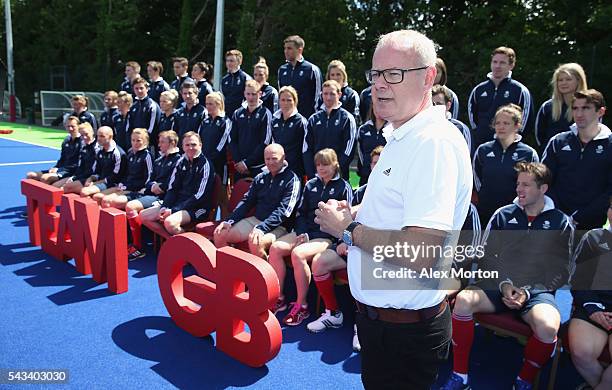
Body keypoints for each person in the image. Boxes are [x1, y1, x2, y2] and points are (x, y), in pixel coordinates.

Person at [314, 30, 472, 389]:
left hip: (404, 331)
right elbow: (401, 213)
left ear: (429, 77)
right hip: (384, 323)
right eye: (376, 74)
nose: (380, 85)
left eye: (394, 74)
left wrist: (348, 230)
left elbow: (422, 251)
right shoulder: (403, 135)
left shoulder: (431, 144)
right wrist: (357, 214)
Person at [442, 162, 573, 390]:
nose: (519, 190)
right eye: (518, 184)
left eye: (526, 185)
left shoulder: (561, 222)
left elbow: (562, 269)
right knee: (463, 301)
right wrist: (504, 284)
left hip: (536, 293)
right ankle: (459, 374)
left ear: (543, 189)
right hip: (497, 284)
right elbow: (486, 255)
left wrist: (527, 291)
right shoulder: (503, 214)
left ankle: (524, 381)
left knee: (548, 327)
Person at [269, 149, 352, 327]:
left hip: (325, 236)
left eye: (326, 164)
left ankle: (302, 305)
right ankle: (279, 298)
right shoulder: (310, 184)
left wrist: (338, 242)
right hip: (305, 232)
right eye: (319, 165)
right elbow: (300, 213)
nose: (322, 168)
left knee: (297, 254)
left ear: (335, 164)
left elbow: (348, 220)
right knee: (275, 248)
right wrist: (302, 233)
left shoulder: (343, 187)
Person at [214, 143, 301, 259]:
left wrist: (262, 227)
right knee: (220, 233)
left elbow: (284, 211)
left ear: (283, 157)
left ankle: (264, 273)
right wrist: (229, 221)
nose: (270, 162)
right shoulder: (261, 177)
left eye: (274, 158)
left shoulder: (292, 180)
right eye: (267, 159)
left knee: (255, 241)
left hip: (280, 227)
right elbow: (247, 202)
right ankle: (230, 270)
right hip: (256, 220)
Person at [542, 89, 610, 230]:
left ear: (601, 111)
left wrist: (582, 216)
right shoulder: (558, 141)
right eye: (575, 108)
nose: (579, 114)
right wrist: (559, 214)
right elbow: (543, 180)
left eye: (585, 108)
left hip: (594, 225)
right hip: (556, 222)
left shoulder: (610, 145)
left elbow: (610, 191)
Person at [569, 198, 612, 389]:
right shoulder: (594, 237)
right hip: (593, 307)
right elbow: (578, 280)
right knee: (581, 352)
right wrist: (593, 308)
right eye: (611, 207)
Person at [473, 104, 539, 225]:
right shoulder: (483, 150)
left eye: (506, 123)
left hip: (516, 213)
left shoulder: (528, 153)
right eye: (498, 123)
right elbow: (477, 179)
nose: (501, 127)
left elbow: (534, 183)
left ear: (517, 126)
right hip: (485, 213)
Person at [140, 132, 216, 236]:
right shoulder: (181, 162)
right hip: (178, 204)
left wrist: (173, 210)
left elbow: (200, 196)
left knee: (170, 223)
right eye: (187, 145)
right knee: (144, 216)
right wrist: (165, 206)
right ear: (183, 147)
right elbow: (172, 188)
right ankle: (171, 241)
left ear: (200, 145)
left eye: (193, 144)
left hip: (198, 207)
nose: (190, 148)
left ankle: (188, 246)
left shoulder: (205, 165)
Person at [125, 130, 181, 260]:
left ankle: (139, 247)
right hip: (154, 195)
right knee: (130, 206)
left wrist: (160, 187)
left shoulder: (179, 160)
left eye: (162, 142)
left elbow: (176, 183)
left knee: (131, 206)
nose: (159, 145)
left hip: (166, 198)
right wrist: (153, 186)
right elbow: (150, 180)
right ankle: (137, 244)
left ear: (172, 143)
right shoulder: (160, 159)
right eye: (159, 141)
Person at [468, 46, 534, 151]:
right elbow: (473, 121)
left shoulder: (520, 91)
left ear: (511, 65)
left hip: (510, 148)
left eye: (502, 63)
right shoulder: (478, 90)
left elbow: (526, 122)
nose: (497, 66)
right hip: (481, 147)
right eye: (495, 62)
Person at [303, 79, 357, 179]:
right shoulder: (313, 119)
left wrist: (335, 171)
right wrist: (313, 173)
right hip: (316, 177)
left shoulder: (347, 119)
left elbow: (349, 149)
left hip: (339, 177)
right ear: (321, 95)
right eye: (325, 94)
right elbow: (307, 149)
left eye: (332, 94)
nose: (328, 97)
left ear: (339, 94)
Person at [535, 63, 588, 152]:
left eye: (568, 79)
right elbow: (539, 136)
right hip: (551, 158)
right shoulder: (547, 107)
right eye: (560, 80)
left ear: (579, 81)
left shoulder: (589, 106)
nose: (563, 83)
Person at [96, 128, 153, 207]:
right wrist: (121, 184)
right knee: (97, 196)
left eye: (138, 140)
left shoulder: (147, 156)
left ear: (145, 141)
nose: (135, 143)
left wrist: (129, 186)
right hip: (125, 186)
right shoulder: (130, 154)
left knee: (107, 200)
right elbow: (125, 173)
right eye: (133, 140)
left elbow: (149, 178)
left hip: (136, 190)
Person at [229, 79, 273, 180]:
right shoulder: (237, 113)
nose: (251, 97)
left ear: (260, 94)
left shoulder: (266, 114)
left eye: (254, 94)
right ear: (244, 94)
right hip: (239, 167)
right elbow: (232, 140)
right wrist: (239, 162)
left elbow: (265, 142)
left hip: (258, 167)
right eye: (248, 94)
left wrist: (246, 163)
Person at [26, 116, 81, 185]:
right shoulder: (66, 140)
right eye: (68, 126)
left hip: (71, 172)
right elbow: (62, 159)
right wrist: (56, 167)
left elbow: (78, 164)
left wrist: (59, 170)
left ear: (78, 126)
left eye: (73, 126)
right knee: (31, 175)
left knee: (45, 178)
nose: (70, 128)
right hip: (61, 169)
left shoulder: (82, 142)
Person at [277, 35, 322, 118]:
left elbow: (318, 97)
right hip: (287, 119)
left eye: (289, 48)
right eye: (285, 48)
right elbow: (281, 95)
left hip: (307, 118)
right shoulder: (282, 70)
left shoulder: (312, 69)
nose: (286, 51)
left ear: (299, 50)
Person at [80, 126, 127, 198]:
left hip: (112, 183)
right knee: (72, 187)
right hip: (101, 181)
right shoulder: (100, 150)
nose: (98, 139)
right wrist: (91, 178)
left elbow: (116, 176)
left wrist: (96, 183)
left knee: (85, 192)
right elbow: (97, 170)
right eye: (98, 136)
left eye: (102, 136)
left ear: (110, 137)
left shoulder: (118, 153)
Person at [271, 86, 308, 177]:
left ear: (295, 102)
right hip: (278, 168)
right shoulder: (274, 121)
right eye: (283, 100)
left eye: (289, 100)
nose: (285, 103)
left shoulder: (301, 122)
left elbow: (306, 148)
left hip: (295, 170)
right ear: (279, 101)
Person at [198, 92, 231, 184]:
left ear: (218, 104)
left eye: (211, 104)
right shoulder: (205, 121)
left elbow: (223, 142)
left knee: (220, 187)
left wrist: (212, 157)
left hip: (218, 162)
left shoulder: (225, 121)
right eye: (207, 104)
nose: (208, 106)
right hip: (203, 160)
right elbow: (198, 138)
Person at [59, 122, 98, 194]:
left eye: (86, 134)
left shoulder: (97, 147)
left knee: (64, 188)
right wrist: (74, 177)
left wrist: (75, 179)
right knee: (56, 186)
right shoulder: (83, 145)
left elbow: (94, 170)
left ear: (92, 132)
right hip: (81, 176)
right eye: (82, 135)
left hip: (91, 178)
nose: (84, 137)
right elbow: (80, 165)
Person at [432, 84, 471, 152]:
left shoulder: (460, 129)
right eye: (432, 104)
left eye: (439, 104)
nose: (435, 107)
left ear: (448, 105)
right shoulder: (421, 127)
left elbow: (468, 157)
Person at [126, 77, 161, 147]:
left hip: (148, 145)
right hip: (134, 145)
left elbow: (152, 128)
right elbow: (128, 127)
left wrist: (144, 142)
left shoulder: (152, 105)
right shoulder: (133, 106)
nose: (139, 91)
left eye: (141, 88)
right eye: (136, 88)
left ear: (147, 89)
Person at [356, 106, 387, 185]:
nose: (379, 109)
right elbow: (360, 153)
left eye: (383, 107)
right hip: (366, 175)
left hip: (385, 176)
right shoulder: (363, 129)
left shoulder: (393, 129)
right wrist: (366, 166)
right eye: (377, 106)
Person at [222, 49, 252, 117]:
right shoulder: (224, 79)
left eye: (231, 61)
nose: (229, 63)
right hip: (227, 115)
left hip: (242, 115)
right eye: (227, 61)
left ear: (239, 62)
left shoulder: (245, 78)